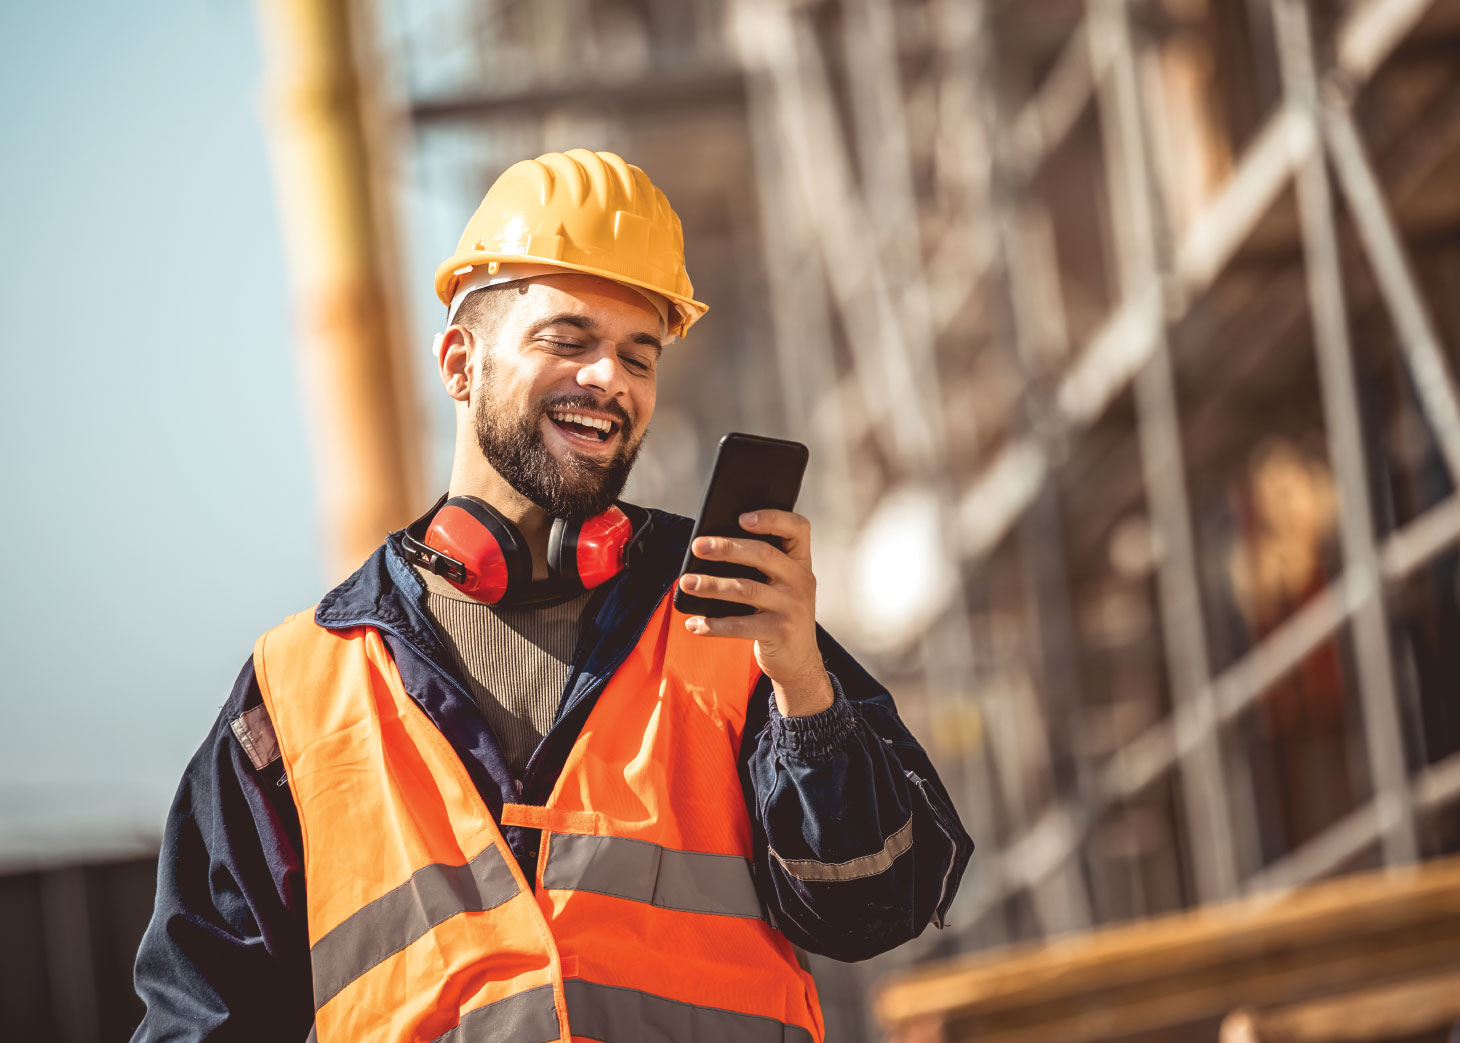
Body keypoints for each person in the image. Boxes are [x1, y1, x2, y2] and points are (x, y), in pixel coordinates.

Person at [131, 148, 972, 1043]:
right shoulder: (295, 696)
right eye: (568, 340)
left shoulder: (732, 614)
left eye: (637, 356)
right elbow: (199, 1019)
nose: (610, 379)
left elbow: (875, 911)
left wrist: (804, 689)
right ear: (460, 363)